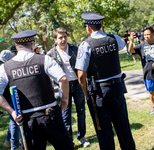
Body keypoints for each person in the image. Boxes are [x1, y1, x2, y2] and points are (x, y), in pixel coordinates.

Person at [0, 30, 74, 150]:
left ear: (17, 48)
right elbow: (63, 79)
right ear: (32, 45)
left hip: (27, 120)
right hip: (50, 115)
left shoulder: (5, 67)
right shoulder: (44, 59)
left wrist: (12, 112)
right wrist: (64, 99)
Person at [75, 11, 136, 150]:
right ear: (101, 25)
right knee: (124, 127)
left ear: (88, 28)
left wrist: (86, 94)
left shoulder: (86, 45)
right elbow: (121, 45)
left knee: (104, 132)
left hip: (99, 94)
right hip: (118, 88)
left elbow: (80, 74)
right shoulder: (113, 38)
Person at [47, 27, 90, 147]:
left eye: (65, 36)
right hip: (63, 87)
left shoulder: (75, 49)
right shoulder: (51, 54)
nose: (63, 39)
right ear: (55, 39)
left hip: (77, 83)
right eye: (60, 37)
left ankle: (82, 137)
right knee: (65, 114)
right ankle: (69, 140)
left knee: (81, 111)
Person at [129, 27, 154, 115]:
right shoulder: (142, 46)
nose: (146, 36)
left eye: (148, 34)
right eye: (145, 35)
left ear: (153, 34)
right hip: (148, 73)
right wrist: (131, 41)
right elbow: (131, 50)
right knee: (151, 91)